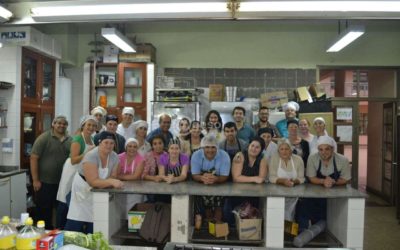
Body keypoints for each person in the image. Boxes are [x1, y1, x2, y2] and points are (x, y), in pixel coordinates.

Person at [65, 131, 123, 233]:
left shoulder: (114, 156)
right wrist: (111, 182)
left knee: (95, 221)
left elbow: (113, 175)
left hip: (99, 190)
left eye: (111, 143)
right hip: (82, 190)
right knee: (76, 221)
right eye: (106, 142)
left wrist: (109, 181)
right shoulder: (91, 155)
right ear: (100, 143)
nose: (109, 146)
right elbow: (92, 181)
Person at [296, 135, 351, 232]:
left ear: (332, 149)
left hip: (334, 194)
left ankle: (323, 231)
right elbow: (311, 177)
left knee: (327, 214)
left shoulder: (342, 160)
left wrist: (333, 182)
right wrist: (323, 181)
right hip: (313, 193)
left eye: (327, 149)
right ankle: (303, 231)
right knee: (304, 210)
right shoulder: (312, 158)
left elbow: (345, 179)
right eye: (320, 149)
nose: (323, 152)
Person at [30, 115, 72, 229]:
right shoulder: (43, 138)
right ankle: (43, 234)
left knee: (61, 210)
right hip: (45, 182)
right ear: (53, 124)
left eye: (64, 123)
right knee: (44, 211)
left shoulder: (70, 139)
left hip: (63, 183)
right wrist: (35, 180)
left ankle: (58, 233)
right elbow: (34, 157)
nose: (61, 125)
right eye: (59, 123)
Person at [56, 115, 97, 229]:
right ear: (83, 125)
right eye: (89, 125)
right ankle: (59, 229)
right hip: (72, 172)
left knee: (74, 201)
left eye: (94, 125)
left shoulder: (92, 139)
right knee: (65, 200)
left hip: (81, 173)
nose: (91, 127)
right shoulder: (78, 139)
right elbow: (74, 160)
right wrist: (87, 153)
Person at [191, 135, 231, 222]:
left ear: (217, 147)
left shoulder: (224, 156)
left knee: (219, 206)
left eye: (213, 147)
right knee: (206, 207)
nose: (210, 150)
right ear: (202, 147)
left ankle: (217, 222)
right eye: (207, 147)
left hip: (220, 185)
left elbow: (225, 176)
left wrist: (216, 179)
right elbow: (194, 175)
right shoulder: (196, 155)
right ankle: (208, 221)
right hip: (202, 185)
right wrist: (202, 178)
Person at [118, 138, 145, 214]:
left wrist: (120, 176)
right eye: (130, 146)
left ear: (137, 148)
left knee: (133, 211)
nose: (132, 149)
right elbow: (116, 173)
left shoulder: (141, 159)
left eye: (134, 146)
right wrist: (129, 176)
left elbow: (136, 177)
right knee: (121, 212)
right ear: (126, 147)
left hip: (136, 189)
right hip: (120, 188)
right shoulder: (119, 157)